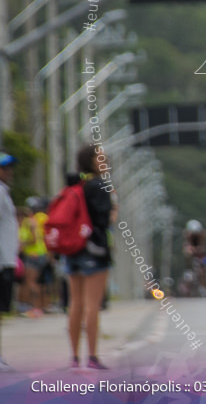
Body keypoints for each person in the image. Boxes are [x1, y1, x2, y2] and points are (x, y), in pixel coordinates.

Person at [65, 145, 115, 370]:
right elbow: (104, 221)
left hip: (72, 248)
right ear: (92, 161)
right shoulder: (100, 186)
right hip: (94, 249)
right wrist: (114, 212)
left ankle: (74, 357)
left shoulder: (76, 184)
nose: (105, 161)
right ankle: (92, 357)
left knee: (75, 303)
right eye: (101, 158)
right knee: (92, 304)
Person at [0, 152, 19, 371]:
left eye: (9, 168)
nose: (9, 172)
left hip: (6, 259)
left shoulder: (4, 191)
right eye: (5, 168)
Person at [182, 219, 206, 297]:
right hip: (191, 256)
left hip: (201, 255)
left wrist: (199, 249)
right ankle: (187, 282)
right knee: (188, 259)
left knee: (205, 267)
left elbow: (203, 247)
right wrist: (189, 250)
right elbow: (186, 247)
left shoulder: (202, 235)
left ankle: (203, 286)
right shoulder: (186, 235)